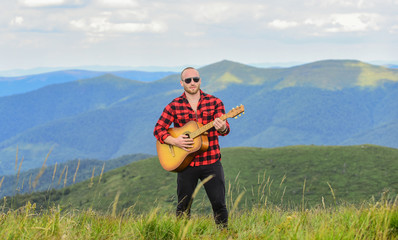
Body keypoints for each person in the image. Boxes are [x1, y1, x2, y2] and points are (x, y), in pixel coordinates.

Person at [153, 67, 230, 228]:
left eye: (196, 79)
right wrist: (175, 142)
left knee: (219, 204)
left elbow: (225, 130)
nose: (192, 82)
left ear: (200, 81)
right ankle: (182, 234)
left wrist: (221, 127)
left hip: (211, 162)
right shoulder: (174, 105)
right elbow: (158, 129)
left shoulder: (215, 102)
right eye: (188, 80)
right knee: (183, 207)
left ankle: (223, 234)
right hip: (186, 163)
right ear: (182, 83)